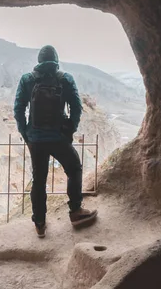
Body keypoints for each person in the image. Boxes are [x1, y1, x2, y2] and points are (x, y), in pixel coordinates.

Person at [14, 45, 98, 238]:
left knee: (39, 179)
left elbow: (18, 109)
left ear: (39, 60)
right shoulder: (65, 79)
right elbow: (77, 108)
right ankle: (76, 211)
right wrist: (69, 130)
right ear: (56, 60)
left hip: (35, 139)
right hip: (58, 137)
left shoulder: (27, 80)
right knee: (74, 168)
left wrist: (26, 133)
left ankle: (40, 223)